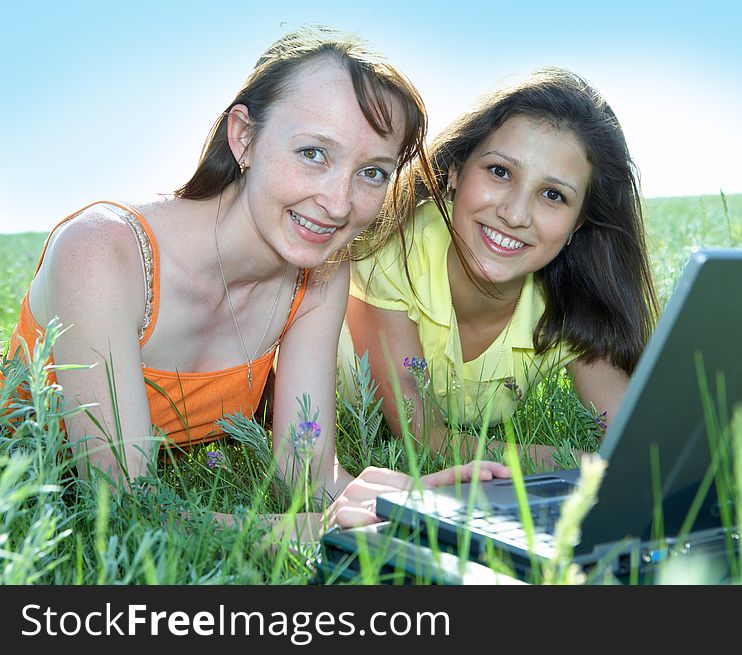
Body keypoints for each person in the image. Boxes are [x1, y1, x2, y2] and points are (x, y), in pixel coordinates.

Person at [2, 25, 507, 540]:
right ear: (244, 137)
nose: (338, 203)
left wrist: (401, 503)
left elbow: (306, 472)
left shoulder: (321, 274)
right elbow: (121, 506)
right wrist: (313, 532)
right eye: (313, 153)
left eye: (372, 172)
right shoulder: (102, 253)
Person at [342, 68, 658, 468]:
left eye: (553, 194)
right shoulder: (397, 246)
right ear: (455, 170)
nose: (514, 214)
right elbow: (424, 436)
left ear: (577, 223)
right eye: (500, 171)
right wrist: (570, 462)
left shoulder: (569, 299)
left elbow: (634, 439)